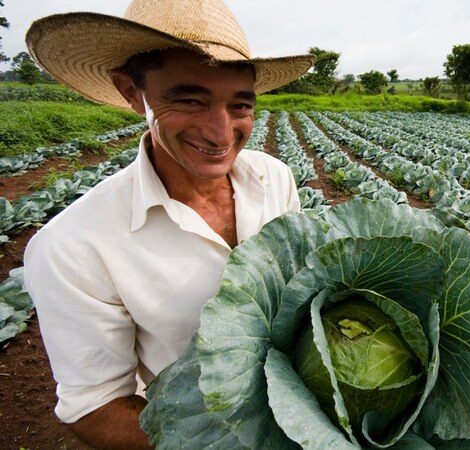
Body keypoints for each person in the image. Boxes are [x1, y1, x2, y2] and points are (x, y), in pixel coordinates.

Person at [22, 1, 315, 448]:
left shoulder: (274, 177)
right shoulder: (73, 245)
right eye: (189, 100)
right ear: (131, 92)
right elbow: (94, 408)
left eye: (239, 105)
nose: (220, 133)